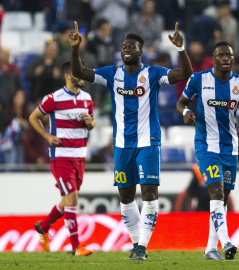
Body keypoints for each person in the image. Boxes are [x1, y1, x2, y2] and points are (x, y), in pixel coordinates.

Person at [69, 21, 192, 260]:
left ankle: (142, 246)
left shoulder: (153, 73)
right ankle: (136, 245)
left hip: (148, 142)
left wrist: (180, 49)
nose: (126, 49)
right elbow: (79, 72)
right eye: (124, 46)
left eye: (131, 46)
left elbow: (185, 74)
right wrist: (75, 48)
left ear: (140, 51)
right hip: (122, 145)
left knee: (149, 195)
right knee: (125, 197)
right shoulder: (112, 74)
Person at [176, 41, 239, 260]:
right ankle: (226, 241)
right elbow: (180, 102)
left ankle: (210, 248)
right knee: (216, 191)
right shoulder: (199, 79)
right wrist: (185, 113)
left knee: (223, 198)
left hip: (230, 147)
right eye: (221, 55)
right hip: (206, 145)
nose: (226, 58)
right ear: (214, 59)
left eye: (229, 55)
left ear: (233, 59)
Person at [29, 61, 96, 256]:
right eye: (78, 73)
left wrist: (90, 123)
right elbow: (33, 117)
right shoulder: (54, 98)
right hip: (61, 157)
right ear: (68, 75)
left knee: (68, 200)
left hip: (80, 157)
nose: (82, 76)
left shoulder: (87, 98)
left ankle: (44, 225)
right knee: (72, 197)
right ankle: (76, 247)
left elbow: (91, 124)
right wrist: (47, 137)